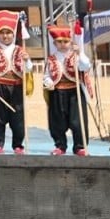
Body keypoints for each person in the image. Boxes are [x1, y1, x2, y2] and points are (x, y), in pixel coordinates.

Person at [0, 10, 32, 154]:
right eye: (2, 33)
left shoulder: (20, 50)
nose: (5, 36)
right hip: (0, 87)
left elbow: (28, 70)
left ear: (13, 34)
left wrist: (27, 60)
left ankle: (18, 145)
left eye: (8, 33)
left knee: (18, 118)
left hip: (16, 88)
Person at [43, 24, 92, 156]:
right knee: (57, 121)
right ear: (54, 43)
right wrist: (48, 82)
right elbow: (46, 75)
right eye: (59, 42)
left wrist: (80, 53)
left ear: (70, 41)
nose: (63, 44)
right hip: (57, 92)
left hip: (74, 92)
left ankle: (80, 146)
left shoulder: (76, 55)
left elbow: (85, 66)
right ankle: (60, 145)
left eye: (65, 41)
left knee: (77, 121)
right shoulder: (51, 58)